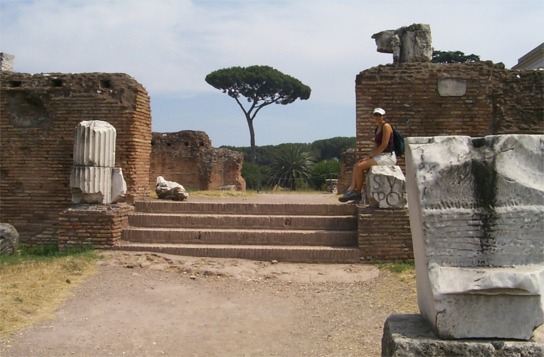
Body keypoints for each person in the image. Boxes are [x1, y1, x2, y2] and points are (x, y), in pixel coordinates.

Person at [338, 107, 397, 202]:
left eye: (379, 115)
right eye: (376, 115)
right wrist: (367, 157)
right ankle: (352, 189)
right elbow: (376, 146)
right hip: (381, 155)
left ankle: (356, 193)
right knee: (357, 165)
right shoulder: (377, 128)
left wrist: (370, 157)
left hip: (388, 156)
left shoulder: (386, 126)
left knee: (360, 167)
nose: (377, 117)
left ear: (383, 116)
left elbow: (383, 145)